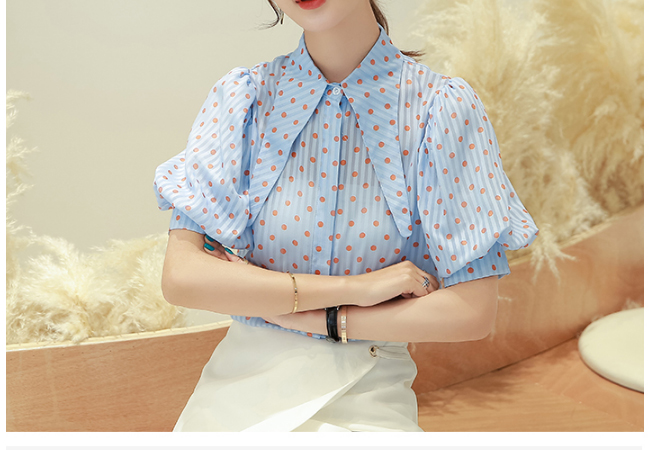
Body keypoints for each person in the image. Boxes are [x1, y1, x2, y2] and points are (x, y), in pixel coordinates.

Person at [153, 0, 539, 432]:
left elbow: (472, 311)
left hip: (368, 393)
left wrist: (325, 319)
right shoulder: (242, 99)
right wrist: (356, 289)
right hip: (239, 393)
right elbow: (182, 277)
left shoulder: (441, 108)